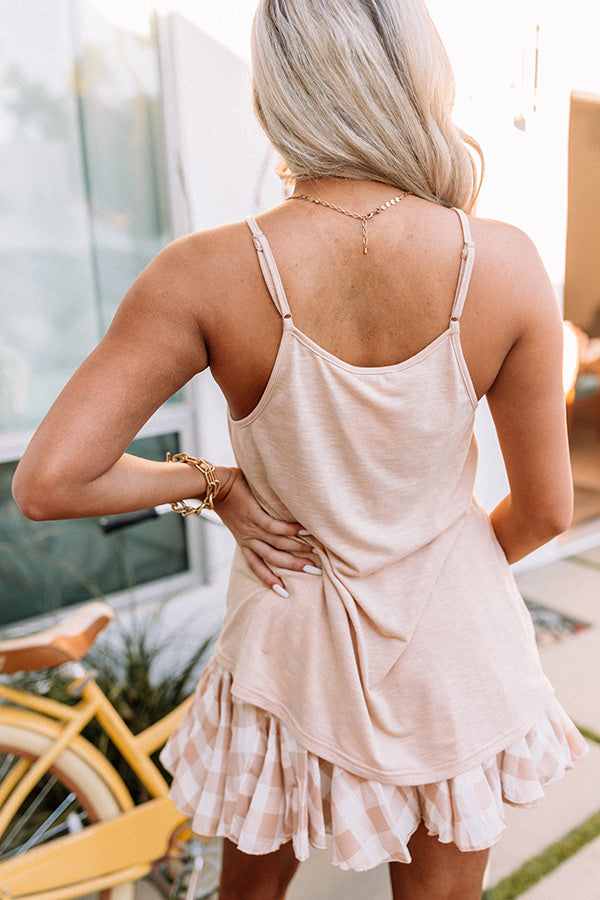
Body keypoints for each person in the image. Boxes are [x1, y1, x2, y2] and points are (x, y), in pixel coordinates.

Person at [13, 1, 587, 898]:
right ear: (418, 76)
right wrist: (443, 565)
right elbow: (548, 511)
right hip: (454, 655)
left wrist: (215, 484)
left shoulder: (203, 272)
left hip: (289, 649)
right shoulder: (506, 264)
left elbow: (51, 481)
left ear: (277, 88)